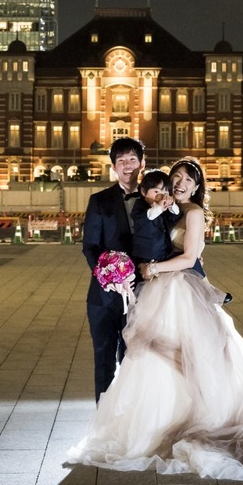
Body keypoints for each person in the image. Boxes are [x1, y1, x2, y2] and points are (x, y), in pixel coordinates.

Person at [67, 157, 243, 479]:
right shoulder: (170, 209)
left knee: (188, 359)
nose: (180, 183)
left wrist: (152, 269)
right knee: (153, 360)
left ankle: (189, 422)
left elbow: (189, 257)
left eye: (187, 180)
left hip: (181, 292)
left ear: (197, 187)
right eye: (176, 177)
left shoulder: (192, 213)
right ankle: (154, 423)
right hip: (160, 291)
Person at [81, 137, 146, 402]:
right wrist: (112, 278)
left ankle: (131, 419)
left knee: (136, 361)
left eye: (132, 159)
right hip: (105, 298)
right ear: (114, 167)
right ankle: (104, 421)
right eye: (121, 161)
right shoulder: (99, 201)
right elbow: (90, 247)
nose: (127, 166)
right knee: (104, 360)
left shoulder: (152, 198)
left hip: (144, 294)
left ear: (142, 163)